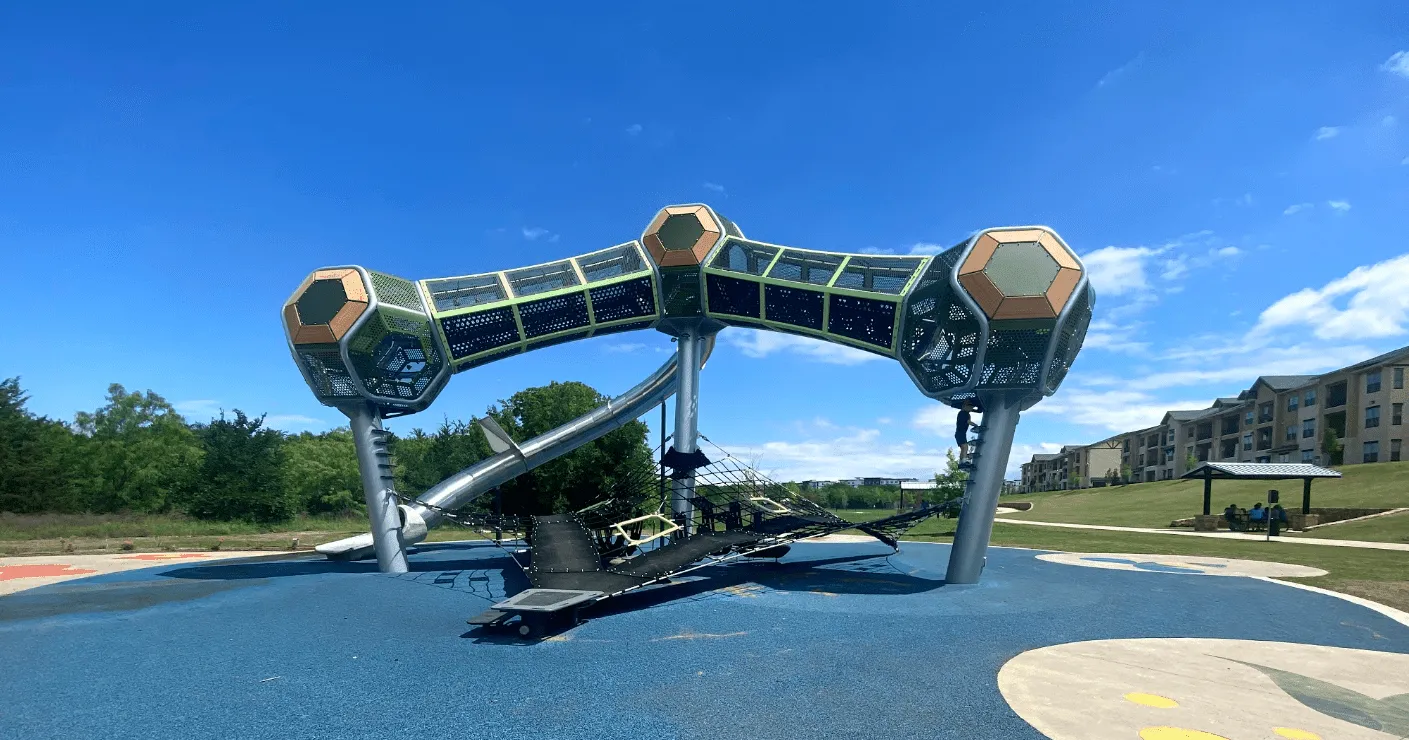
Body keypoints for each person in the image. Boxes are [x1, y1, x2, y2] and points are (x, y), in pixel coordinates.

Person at [956, 398, 983, 467]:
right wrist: (976, 425)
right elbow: (969, 422)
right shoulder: (964, 413)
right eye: (970, 407)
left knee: (963, 448)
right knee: (965, 447)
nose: (971, 409)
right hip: (961, 433)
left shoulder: (964, 413)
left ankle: (961, 462)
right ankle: (964, 462)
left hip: (959, 433)